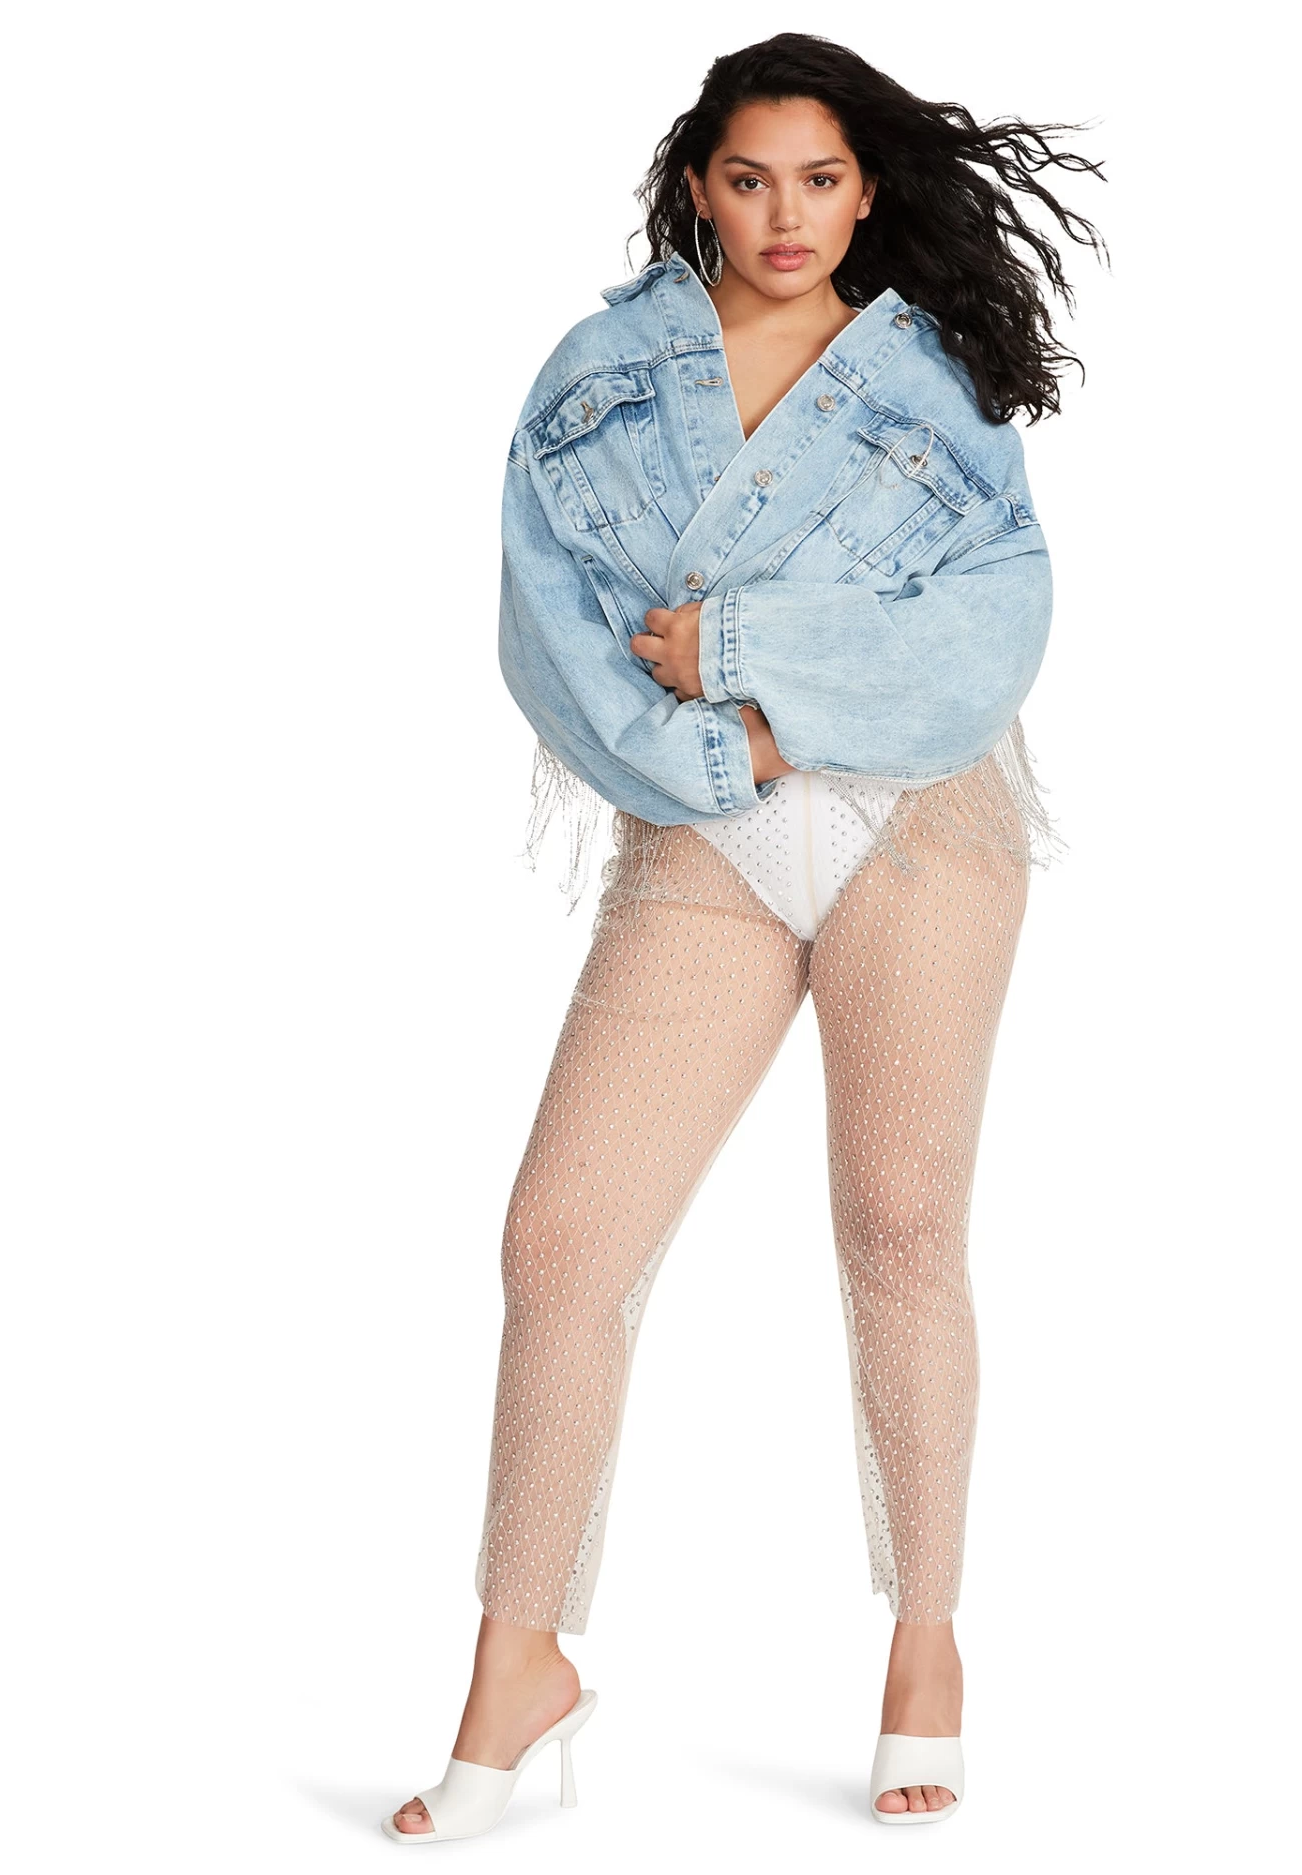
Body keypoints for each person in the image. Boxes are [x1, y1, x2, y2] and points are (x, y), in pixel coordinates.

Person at [381, 30, 1103, 1842]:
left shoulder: (928, 372)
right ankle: (517, 1663)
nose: (788, 215)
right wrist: (724, 751)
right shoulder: (598, 372)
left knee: (900, 1228)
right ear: (700, 185)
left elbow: (996, 622)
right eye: (754, 178)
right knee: (560, 1239)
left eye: (823, 181)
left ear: (867, 195)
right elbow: (548, 629)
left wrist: (754, 661)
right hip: (699, 834)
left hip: (921, 832)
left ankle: (926, 1648)